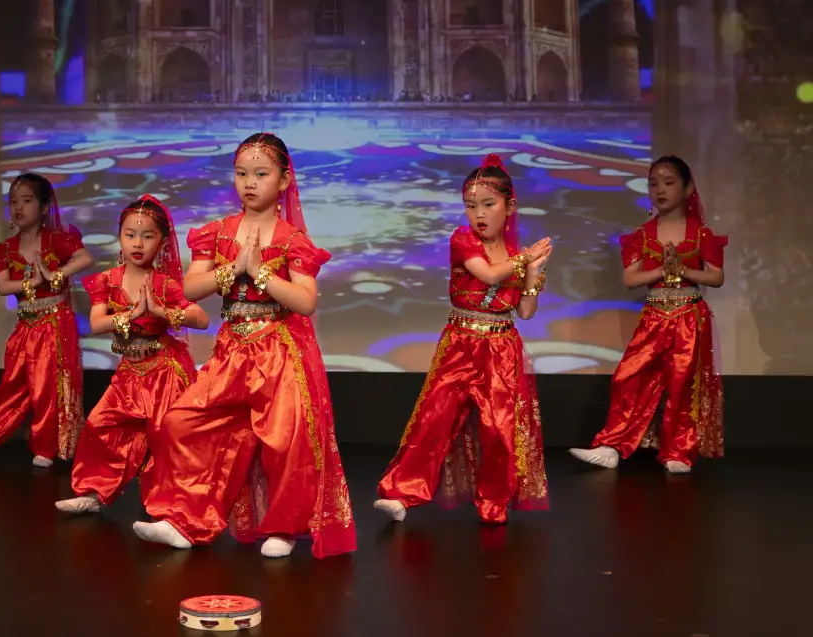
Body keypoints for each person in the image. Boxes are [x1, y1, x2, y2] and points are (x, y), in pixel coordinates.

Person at [131, 132, 356, 558]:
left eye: (260, 174)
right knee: (181, 421)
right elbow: (188, 289)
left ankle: (283, 527)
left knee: (284, 439)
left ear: (284, 180)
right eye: (241, 173)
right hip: (232, 348)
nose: (249, 182)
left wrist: (260, 272)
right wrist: (233, 269)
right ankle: (185, 519)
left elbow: (305, 301)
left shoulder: (292, 240)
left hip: (279, 351)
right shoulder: (217, 232)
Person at [373, 154, 552, 525]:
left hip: (501, 348)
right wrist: (525, 261)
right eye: (471, 206)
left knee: (500, 429)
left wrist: (533, 273)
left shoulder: (516, 256)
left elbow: (526, 312)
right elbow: (488, 275)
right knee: (434, 419)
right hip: (460, 343)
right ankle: (402, 494)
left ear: (509, 207)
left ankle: (494, 503)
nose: (478, 214)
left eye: (488, 204)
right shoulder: (464, 240)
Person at [569, 155, 726, 474]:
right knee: (629, 376)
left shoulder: (701, 234)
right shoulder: (641, 235)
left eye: (669, 182)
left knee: (682, 382)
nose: (660, 190)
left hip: (689, 315)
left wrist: (683, 270)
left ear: (688, 188)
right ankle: (611, 446)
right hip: (654, 314)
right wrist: (663, 271)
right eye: (653, 184)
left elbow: (716, 276)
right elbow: (630, 279)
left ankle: (677, 451)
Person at [55, 195, 209, 514]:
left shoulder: (165, 284)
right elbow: (97, 323)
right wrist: (133, 314)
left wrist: (161, 311)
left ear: (161, 242)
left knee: (164, 437)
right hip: (129, 372)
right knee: (100, 424)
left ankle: (170, 506)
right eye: (130, 234)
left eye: (147, 236)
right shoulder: (108, 281)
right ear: (120, 237)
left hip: (164, 371)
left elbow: (201, 318)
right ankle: (93, 492)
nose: (137, 243)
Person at [0, 173, 93, 466]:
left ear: (44, 207)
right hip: (26, 324)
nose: (18, 207)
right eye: (13, 202)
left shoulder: (57, 240)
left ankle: (46, 448)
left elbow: (86, 259)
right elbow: (2, 287)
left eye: (27, 200)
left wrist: (56, 275)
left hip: (55, 323)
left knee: (47, 387)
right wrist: (32, 282)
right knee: (11, 387)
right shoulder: (5, 249)